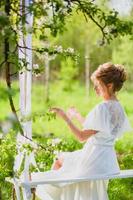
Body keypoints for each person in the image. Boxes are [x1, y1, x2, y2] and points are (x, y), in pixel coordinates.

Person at [32, 62, 132, 200]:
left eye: (98, 85)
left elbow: (81, 137)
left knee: (59, 161)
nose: (95, 89)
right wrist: (78, 116)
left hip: (92, 160)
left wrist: (65, 117)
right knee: (63, 161)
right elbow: (99, 130)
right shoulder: (119, 108)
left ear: (109, 86)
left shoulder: (102, 108)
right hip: (107, 160)